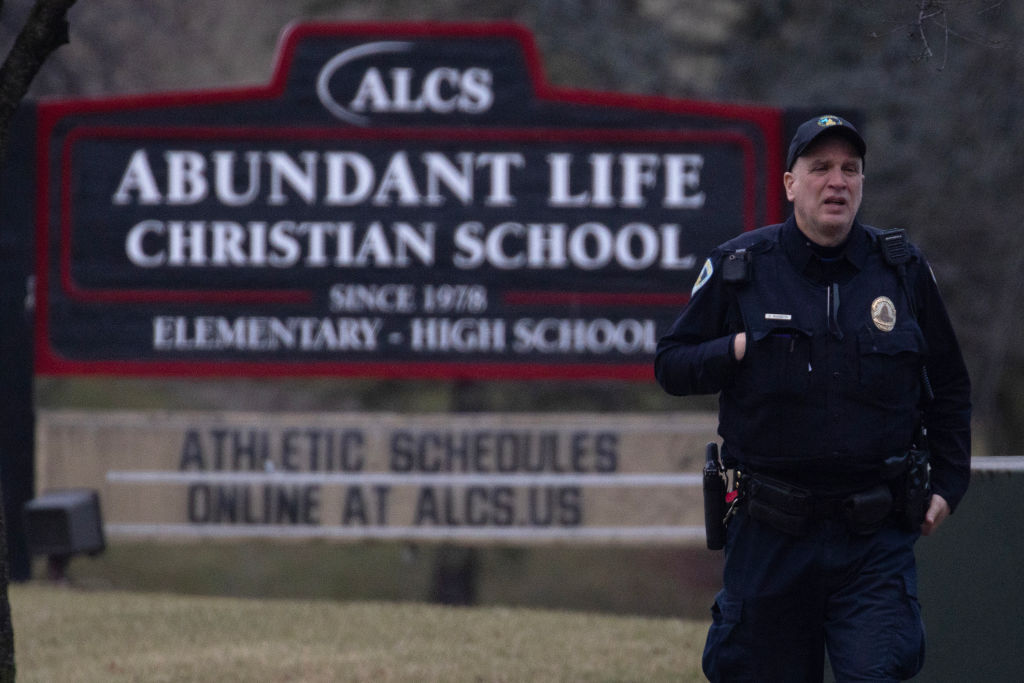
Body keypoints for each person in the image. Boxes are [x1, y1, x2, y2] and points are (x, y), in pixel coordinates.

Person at [654, 114, 971, 682]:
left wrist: (950, 481)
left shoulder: (900, 270)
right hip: (771, 536)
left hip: (873, 539)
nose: (837, 182)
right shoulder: (740, 269)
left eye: (851, 169)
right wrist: (738, 347)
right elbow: (671, 364)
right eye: (820, 168)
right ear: (789, 184)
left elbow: (948, 384)